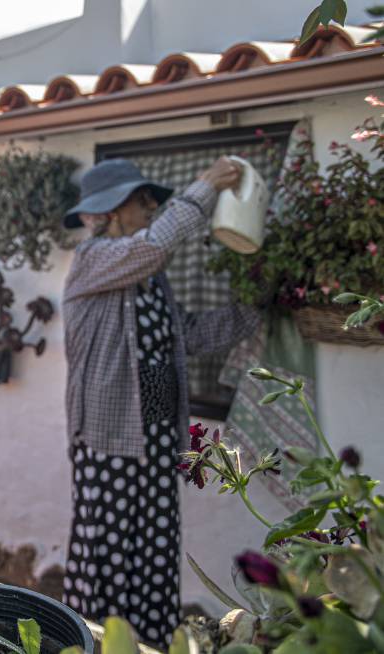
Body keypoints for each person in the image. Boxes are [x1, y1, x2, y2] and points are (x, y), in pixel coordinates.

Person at [60, 157, 260, 647]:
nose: (151, 206)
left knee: (155, 552)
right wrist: (205, 187)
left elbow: (188, 335)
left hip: (156, 439)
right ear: (106, 213)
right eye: (141, 198)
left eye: (152, 198)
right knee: (107, 557)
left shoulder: (150, 281)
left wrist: (257, 302)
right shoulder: (94, 259)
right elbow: (154, 245)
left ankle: (148, 644)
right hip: (110, 439)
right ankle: (95, 643)